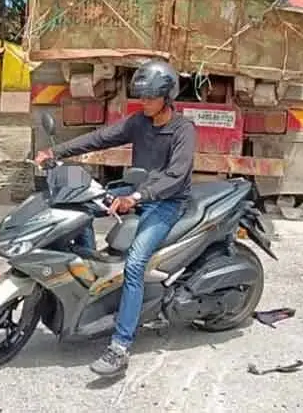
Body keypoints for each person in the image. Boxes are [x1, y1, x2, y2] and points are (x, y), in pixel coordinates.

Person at [33, 60, 196, 377]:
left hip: (165, 203)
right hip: (134, 190)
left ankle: (120, 346)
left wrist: (135, 198)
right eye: (142, 97)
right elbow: (101, 137)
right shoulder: (140, 122)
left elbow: (175, 177)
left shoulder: (182, 130)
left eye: (150, 97)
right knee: (80, 207)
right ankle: (90, 273)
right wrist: (57, 153)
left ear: (167, 97)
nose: (144, 102)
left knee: (135, 264)